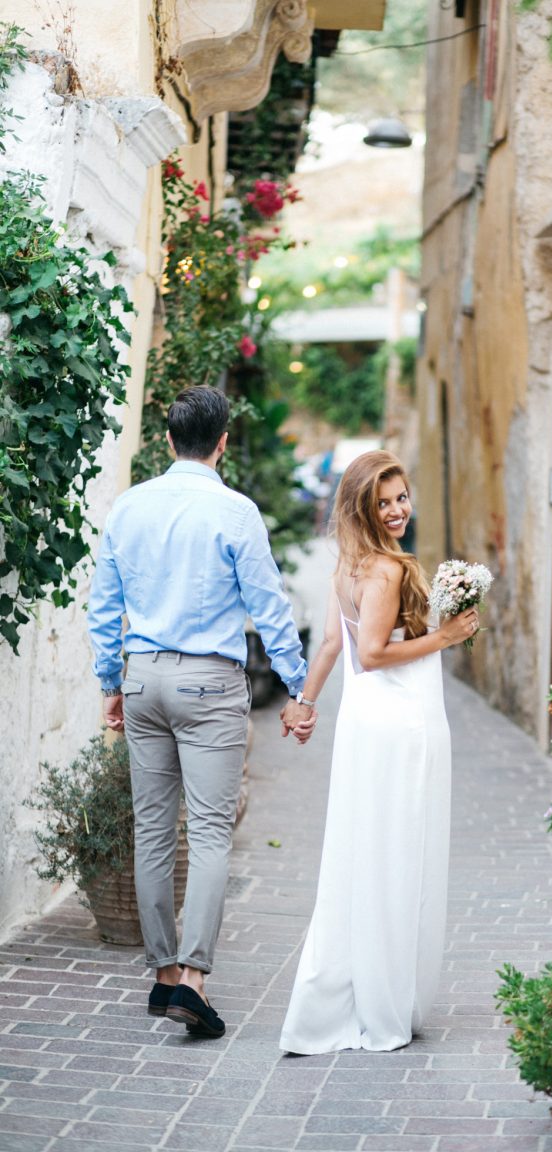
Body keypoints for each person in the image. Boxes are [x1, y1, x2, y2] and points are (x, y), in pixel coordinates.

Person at [87, 385, 314, 1039]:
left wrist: (111, 681)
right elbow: (268, 605)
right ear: (222, 443)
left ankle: (162, 977)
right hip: (210, 683)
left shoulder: (129, 507)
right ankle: (193, 981)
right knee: (210, 833)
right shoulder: (235, 512)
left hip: (141, 677)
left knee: (153, 830)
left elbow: (103, 607)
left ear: (167, 441)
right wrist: (298, 687)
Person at [279, 450, 478, 1054]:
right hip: (400, 721)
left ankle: (356, 988)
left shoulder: (349, 565)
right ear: (363, 506)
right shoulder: (386, 570)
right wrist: (444, 635)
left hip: (366, 722)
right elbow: (370, 652)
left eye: (401, 498)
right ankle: (384, 1001)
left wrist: (305, 701)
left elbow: (334, 643)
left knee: (362, 852)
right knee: (396, 856)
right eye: (383, 501)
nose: (396, 510)